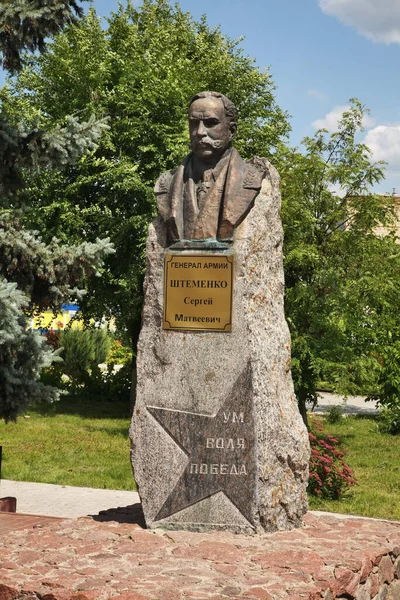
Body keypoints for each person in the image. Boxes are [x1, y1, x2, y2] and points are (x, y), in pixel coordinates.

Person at [155, 91, 266, 243]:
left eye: (211, 123)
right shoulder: (166, 184)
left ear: (232, 131)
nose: (200, 132)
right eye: (194, 123)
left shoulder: (251, 178)